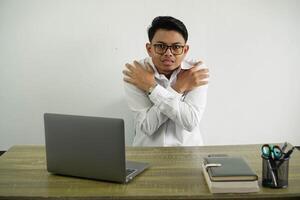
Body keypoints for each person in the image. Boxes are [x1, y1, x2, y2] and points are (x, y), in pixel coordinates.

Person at [123, 16, 209, 146]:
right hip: (147, 152)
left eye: (176, 47)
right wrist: (177, 89)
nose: (168, 53)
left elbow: (190, 122)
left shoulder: (195, 71)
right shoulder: (136, 73)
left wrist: (152, 88)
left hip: (188, 152)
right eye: (161, 46)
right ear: (149, 48)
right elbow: (147, 127)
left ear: (185, 50)